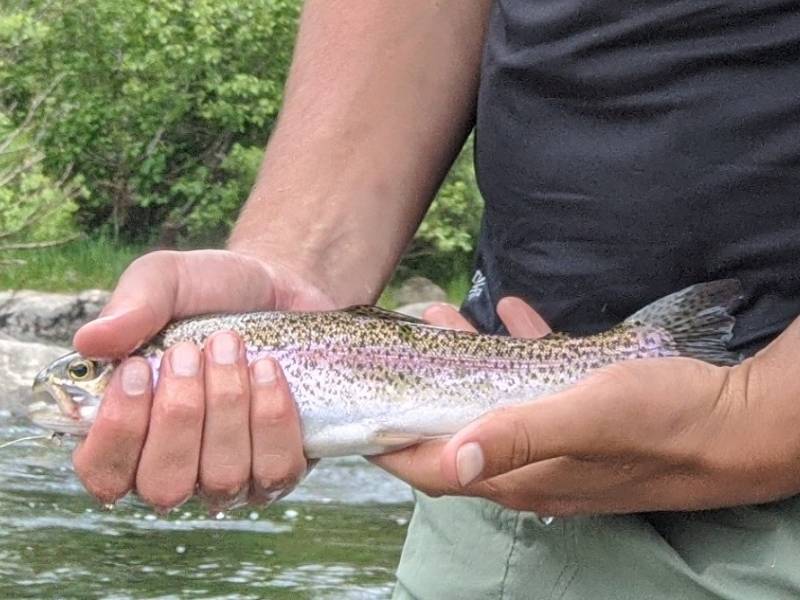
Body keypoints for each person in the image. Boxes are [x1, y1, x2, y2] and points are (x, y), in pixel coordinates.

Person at [70, 1, 800, 598]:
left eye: (82, 374)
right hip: (492, 509)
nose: (77, 380)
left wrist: (760, 414)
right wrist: (295, 263)